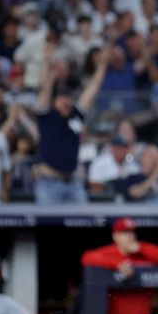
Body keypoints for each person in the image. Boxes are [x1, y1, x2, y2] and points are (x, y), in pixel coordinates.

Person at [34, 39, 112, 204]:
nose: (66, 102)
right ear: (54, 101)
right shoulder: (46, 116)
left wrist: (103, 65)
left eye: (69, 99)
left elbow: (92, 90)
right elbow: (45, 90)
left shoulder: (75, 115)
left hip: (72, 183)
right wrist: (49, 66)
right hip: (49, 184)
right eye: (62, 99)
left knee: (84, 223)